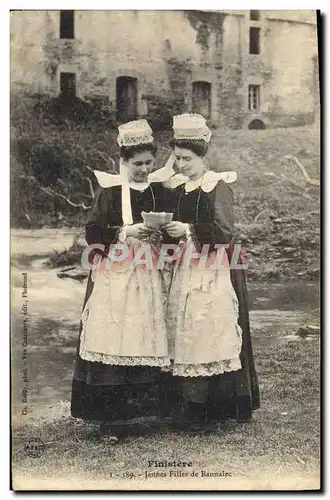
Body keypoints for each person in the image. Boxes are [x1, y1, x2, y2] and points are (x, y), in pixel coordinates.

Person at [71, 119, 174, 439]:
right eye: (137, 164)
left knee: (144, 334)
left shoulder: (159, 190)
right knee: (115, 335)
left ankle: (145, 416)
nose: (144, 169)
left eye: (149, 162)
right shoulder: (111, 191)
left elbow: (172, 233)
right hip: (116, 274)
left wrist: (163, 235)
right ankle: (111, 421)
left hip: (148, 273)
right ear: (123, 162)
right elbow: (92, 233)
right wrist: (124, 232)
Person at [162, 113, 260, 430]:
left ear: (202, 156)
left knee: (207, 331)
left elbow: (225, 232)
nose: (180, 165)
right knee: (184, 330)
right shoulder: (179, 186)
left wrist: (189, 230)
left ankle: (212, 409)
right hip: (184, 265)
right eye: (177, 158)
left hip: (211, 267)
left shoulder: (216, 185)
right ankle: (186, 406)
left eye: (186, 159)